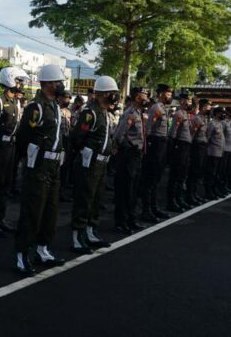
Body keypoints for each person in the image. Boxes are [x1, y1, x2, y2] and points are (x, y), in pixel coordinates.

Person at [13, 64, 67, 275]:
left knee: (50, 211)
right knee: (32, 211)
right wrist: (32, 156)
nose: (60, 85)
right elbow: (24, 137)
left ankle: (43, 249)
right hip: (38, 166)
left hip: (53, 165)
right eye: (57, 82)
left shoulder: (54, 106)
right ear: (47, 83)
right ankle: (22, 254)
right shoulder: (36, 107)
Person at [70, 76, 119, 252]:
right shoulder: (90, 112)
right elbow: (77, 137)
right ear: (102, 94)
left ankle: (90, 231)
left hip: (102, 164)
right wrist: (86, 150)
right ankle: (77, 236)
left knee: (96, 199)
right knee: (84, 199)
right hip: (89, 163)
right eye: (111, 93)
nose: (114, 96)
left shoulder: (105, 112)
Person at [0, 67, 28, 237]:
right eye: (18, 80)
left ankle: (0, 218)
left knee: (6, 183)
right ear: (9, 80)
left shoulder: (16, 102)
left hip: (11, 147)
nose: (20, 84)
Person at [113, 87, 149, 234]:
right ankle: (121, 222)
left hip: (136, 155)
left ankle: (131, 219)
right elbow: (119, 134)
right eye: (143, 95)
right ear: (136, 97)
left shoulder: (139, 113)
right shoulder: (130, 113)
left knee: (133, 190)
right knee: (125, 189)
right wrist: (124, 150)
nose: (146, 98)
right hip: (128, 155)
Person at [140, 84, 173, 223]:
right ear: (160, 94)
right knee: (150, 179)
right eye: (168, 93)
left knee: (156, 179)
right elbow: (148, 129)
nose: (170, 96)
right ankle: (146, 210)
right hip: (155, 145)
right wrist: (148, 147)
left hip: (162, 144)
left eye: (170, 94)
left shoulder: (163, 108)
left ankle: (154, 207)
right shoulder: (157, 109)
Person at [167, 92, 193, 212]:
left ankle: (178, 198)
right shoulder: (179, 113)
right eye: (188, 100)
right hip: (180, 146)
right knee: (176, 174)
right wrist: (175, 146)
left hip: (186, 147)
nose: (190, 103)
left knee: (182, 174)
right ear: (182, 101)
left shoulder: (186, 114)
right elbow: (174, 131)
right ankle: (171, 201)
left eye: (191, 101)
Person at [187, 99, 211, 205]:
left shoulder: (204, 118)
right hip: (197, 147)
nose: (210, 108)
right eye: (208, 106)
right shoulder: (197, 119)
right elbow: (192, 134)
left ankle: (195, 193)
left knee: (199, 171)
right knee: (194, 171)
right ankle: (190, 195)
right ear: (203, 107)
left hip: (203, 146)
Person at [205, 106, 225, 199]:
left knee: (216, 173)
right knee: (211, 173)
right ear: (217, 114)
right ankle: (208, 192)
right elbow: (208, 137)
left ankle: (213, 190)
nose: (223, 115)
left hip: (219, 152)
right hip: (213, 152)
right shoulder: (212, 123)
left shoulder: (219, 123)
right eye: (221, 113)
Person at [58, 90, 74, 202]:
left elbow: (71, 127)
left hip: (67, 140)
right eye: (65, 97)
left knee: (65, 167)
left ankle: (62, 190)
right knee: (59, 167)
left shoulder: (68, 112)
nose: (67, 100)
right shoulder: (56, 110)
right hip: (59, 140)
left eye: (69, 98)